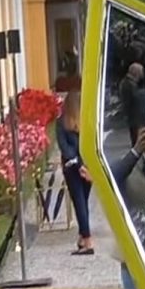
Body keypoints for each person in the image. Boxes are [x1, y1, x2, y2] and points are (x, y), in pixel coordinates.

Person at [56, 90, 95, 255]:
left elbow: (64, 147)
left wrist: (76, 162)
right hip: (87, 167)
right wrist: (84, 164)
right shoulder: (86, 121)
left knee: (79, 203)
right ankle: (82, 237)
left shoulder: (61, 123)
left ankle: (88, 240)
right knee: (83, 202)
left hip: (71, 168)